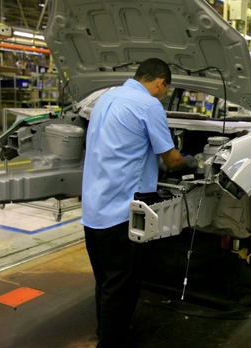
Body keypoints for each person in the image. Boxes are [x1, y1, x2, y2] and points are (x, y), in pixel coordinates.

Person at [81, 58, 197, 347]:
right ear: (160, 83)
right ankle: (111, 343)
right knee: (123, 285)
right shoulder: (149, 105)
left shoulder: (106, 97)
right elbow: (171, 160)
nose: (164, 95)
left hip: (93, 209)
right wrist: (194, 161)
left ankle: (109, 333)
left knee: (107, 281)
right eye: (166, 90)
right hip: (122, 212)